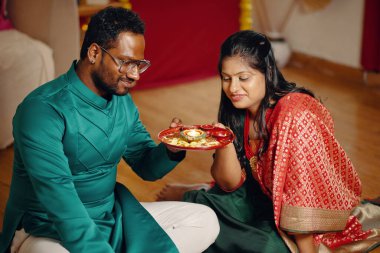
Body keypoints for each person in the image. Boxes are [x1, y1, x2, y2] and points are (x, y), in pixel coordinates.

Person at [0, 7, 219, 253]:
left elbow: (147, 167)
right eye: (126, 63)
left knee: (205, 221)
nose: (135, 75)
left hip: (110, 218)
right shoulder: (42, 109)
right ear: (94, 52)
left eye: (139, 64)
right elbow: (59, 199)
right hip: (46, 228)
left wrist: (170, 149)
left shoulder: (122, 101)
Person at [157, 30, 380, 252]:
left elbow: (303, 196)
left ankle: (197, 196)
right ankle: (196, 195)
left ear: (268, 71)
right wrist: (225, 141)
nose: (233, 89)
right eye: (226, 79)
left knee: (264, 247)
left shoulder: (294, 114)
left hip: (301, 219)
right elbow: (230, 184)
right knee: (205, 214)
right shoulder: (237, 111)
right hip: (261, 198)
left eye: (243, 78)